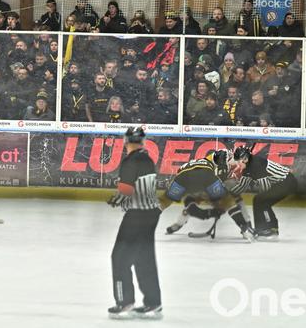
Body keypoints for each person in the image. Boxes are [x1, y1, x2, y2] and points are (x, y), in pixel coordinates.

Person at [106, 127, 163, 320]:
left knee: (119, 258)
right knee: (143, 258)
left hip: (137, 215)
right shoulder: (147, 159)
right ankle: (153, 301)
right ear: (142, 142)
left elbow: (126, 190)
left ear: (126, 142)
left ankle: (124, 301)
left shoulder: (130, 161)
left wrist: (115, 200)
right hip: (151, 214)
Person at [159, 150, 255, 242]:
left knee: (186, 201)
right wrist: (219, 207)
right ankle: (245, 227)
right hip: (207, 180)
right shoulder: (219, 161)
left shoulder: (201, 161)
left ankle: (177, 222)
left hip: (186, 179)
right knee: (228, 201)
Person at [224, 145, 298, 240]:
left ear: (245, 159)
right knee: (258, 200)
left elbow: (265, 187)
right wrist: (229, 193)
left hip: (287, 182)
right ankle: (260, 229)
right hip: (281, 182)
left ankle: (272, 229)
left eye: (239, 161)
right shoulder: (247, 167)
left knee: (263, 201)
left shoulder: (256, 165)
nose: (238, 164)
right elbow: (242, 186)